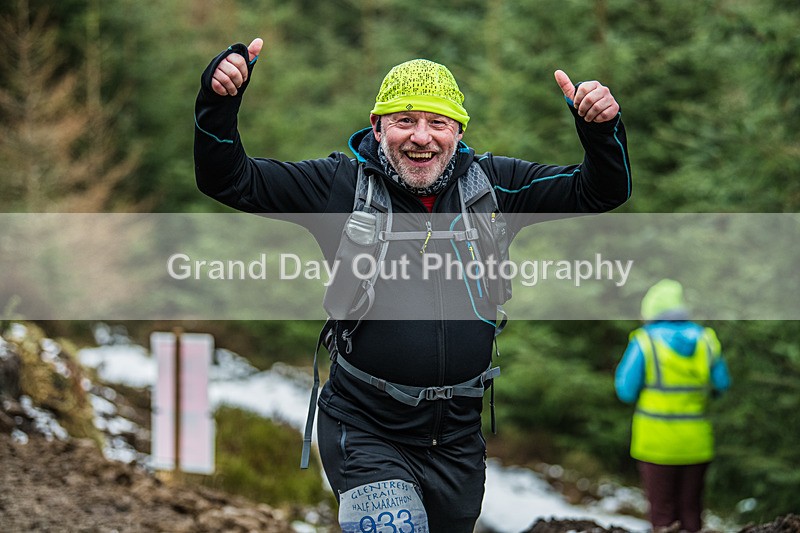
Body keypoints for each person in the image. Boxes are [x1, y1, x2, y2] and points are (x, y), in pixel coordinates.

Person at [195, 37, 631, 532]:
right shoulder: (339, 187)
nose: (421, 137)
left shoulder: (494, 187)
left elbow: (599, 192)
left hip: (458, 441)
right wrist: (219, 102)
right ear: (378, 127)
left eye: (437, 122)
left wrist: (600, 132)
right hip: (366, 429)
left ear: (458, 131)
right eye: (404, 120)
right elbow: (228, 180)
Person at [615, 279, 731, 533]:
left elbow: (625, 390)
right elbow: (722, 384)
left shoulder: (645, 341)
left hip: (655, 443)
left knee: (662, 514)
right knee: (691, 511)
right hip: (697, 442)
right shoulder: (706, 340)